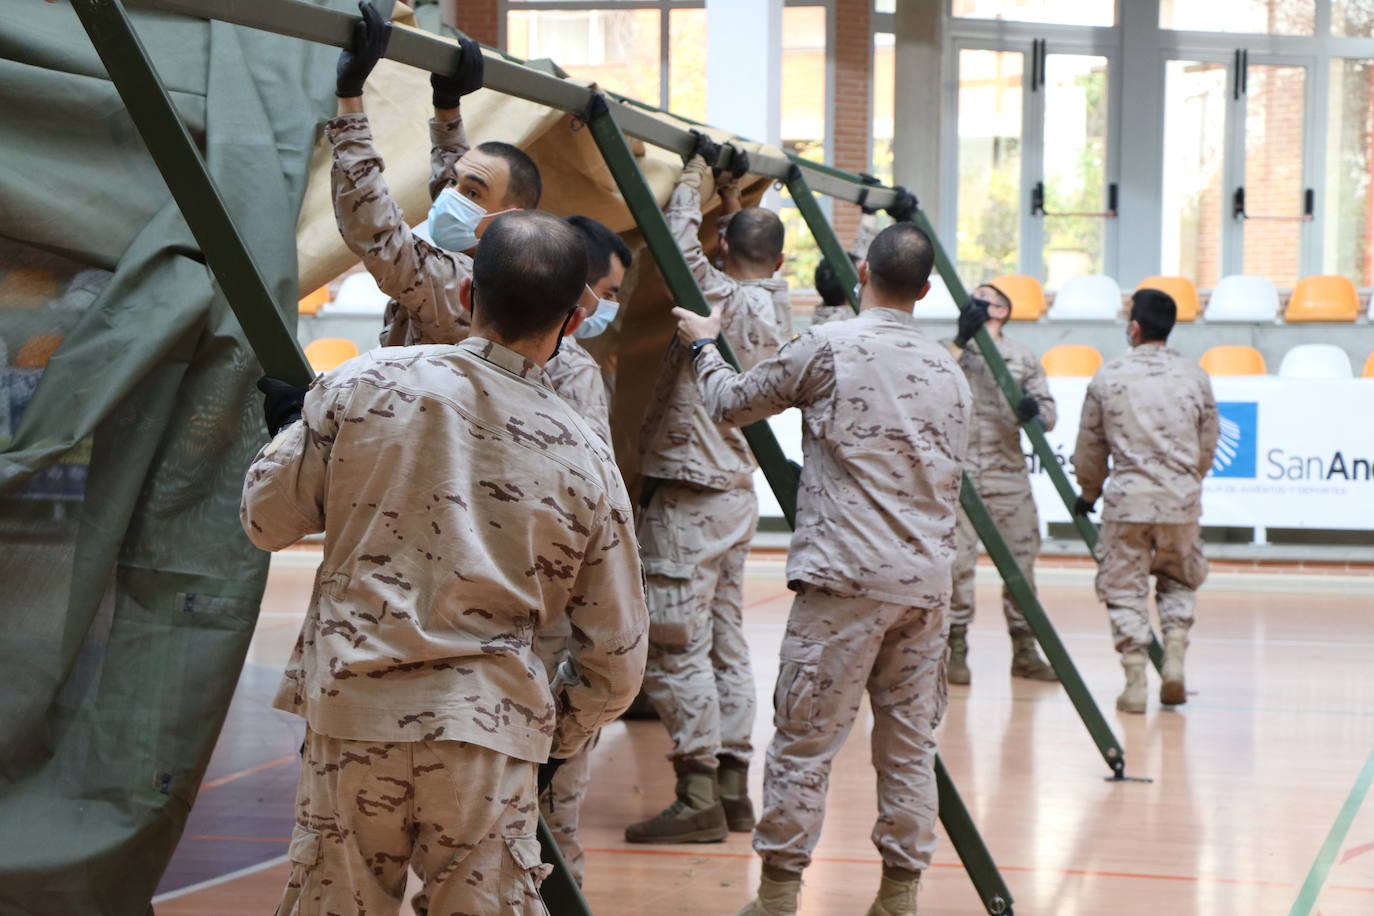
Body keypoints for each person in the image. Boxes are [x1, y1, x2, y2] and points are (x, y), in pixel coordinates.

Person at [242, 211, 648, 915]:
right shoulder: (585, 455)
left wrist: (289, 433)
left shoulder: (359, 387)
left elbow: (264, 521)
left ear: (466, 297)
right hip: (488, 740)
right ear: (573, 322)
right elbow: (617, 656)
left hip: (353, 720)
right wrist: (558, 737)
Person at [671, 221, 970, 916]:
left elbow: (729, 404)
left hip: (843, 582)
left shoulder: (829, 347)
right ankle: (899, 896)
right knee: (907, 749)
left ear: (862, 272)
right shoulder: (949, 372)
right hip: (924, 589)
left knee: (804, 744)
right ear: (926, 290)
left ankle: (777, 898)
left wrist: (705, 345)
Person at [626, 133, 791, 845]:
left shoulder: (718, 297)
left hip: (689, 497)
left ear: (725, 253)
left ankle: (694, 792)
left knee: (675, 643)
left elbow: (678, 249)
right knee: (726, 642)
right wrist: (727, 200)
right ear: (780, 261)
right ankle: (731, 787)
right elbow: (721, 256)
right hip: (733, 494)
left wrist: (691, 177)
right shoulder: (777, 306)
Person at [327, 1, 543, 347]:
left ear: (510, 221)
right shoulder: (499, 261)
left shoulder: (467, 289)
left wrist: (350, 97)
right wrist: (447, 107)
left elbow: (376, 231)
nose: (450, 195)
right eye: (455, 183)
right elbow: (463, 179)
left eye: (471, 193)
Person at [532, 214, 632, 884]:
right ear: (580, 295)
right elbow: (593, 506)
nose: (612, 306)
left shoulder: (432, 362)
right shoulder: (574, 372)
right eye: (610, 290)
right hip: (542, 623)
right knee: (549, 819)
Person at [1072, 288, 1218, 714]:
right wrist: (1186, 481)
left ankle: (1135, 680)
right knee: (1179, 579)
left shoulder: (1108, 375)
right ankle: (1173, 658)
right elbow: (1208, 443)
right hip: (1180, 501)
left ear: (1133, 328)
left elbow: (1091, 446)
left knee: (1123, 587)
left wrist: (1088, 492)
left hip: (1128, 503)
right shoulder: (1195, 376)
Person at [943, 283, 1058, 684]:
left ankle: (1025, 650)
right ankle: (954, 650)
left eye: (985, 298)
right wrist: (961, 339)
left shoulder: (1022, 357)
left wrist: (1036, 414)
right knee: (955, 567)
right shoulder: (948, 350)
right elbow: (929, 384)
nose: (975, 302)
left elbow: (1048, 411)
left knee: (1022, 565)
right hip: (958, 477)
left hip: (1008, 477)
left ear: (1003, 310)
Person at [809, 210, 877, 326]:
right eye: (862, 276)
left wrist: (869, 212)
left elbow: (860, 256)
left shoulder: (827, 314)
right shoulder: (853, 323)